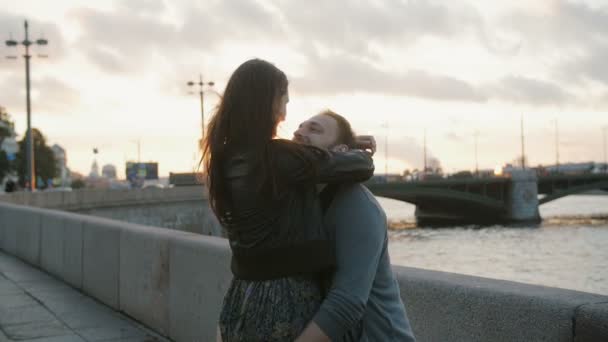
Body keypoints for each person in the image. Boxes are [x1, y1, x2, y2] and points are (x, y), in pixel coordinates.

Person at [204, 59, 376, 341]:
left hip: (242, 297)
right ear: (267, 102)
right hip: (283, 301)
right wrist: (353, 147)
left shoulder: (224, 156)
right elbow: (361, 166)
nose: (284, 115)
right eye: (283, 101)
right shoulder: (278, 159)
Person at [293, 110, 417, 341]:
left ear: (340, 152)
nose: (299, 132)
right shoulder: (302, 200)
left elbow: (345, 304)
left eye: (314, 129)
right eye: (299, 127)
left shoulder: (358, 206)